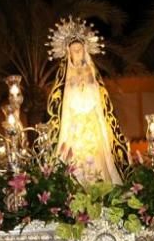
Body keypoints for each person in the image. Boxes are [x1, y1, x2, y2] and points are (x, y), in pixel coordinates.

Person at [46, 17, 128, 185]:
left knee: (99, 162)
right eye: (74, 50)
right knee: (76, 165)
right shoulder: (65, 80)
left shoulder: (92, 74)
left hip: (93, 126)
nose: (77, 53)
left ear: (85, 51)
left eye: (80, 50)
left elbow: (99, 102)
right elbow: (65, 106)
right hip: (75, 128)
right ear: (68, 53)